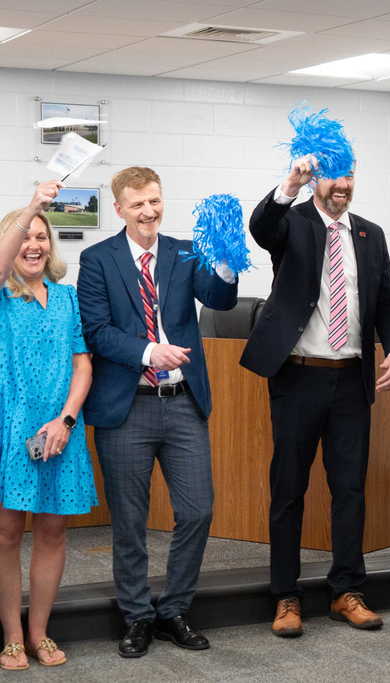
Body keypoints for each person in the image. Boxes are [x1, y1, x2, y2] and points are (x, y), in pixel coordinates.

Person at [240, 154, 390, 636]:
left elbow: (387, 302)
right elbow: (261, 228)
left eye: (349, 175)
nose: (342, 184)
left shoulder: (370, 234)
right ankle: (285, 596)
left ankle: (346, 591)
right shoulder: (291, 222)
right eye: (333, 175)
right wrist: (287, 185)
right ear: (316, 179)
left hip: (351, 381)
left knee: (350, 490)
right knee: (289, 489)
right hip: (298, 377)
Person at [77, 166, 238, 658]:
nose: (149, 212)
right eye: (138, 204)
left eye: (155, 201)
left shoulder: (184, 250)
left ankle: (174, 610)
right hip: (127, 408)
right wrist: (149, 352)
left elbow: (220, 299)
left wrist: (227, 262)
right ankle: (137, 617)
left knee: (197, 511)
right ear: (120, 209)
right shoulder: (97, 259)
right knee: (129, 521)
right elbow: (98, 331)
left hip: (184, 404)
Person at [0, 183, 96, 670]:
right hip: (10, 427)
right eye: (24, 237)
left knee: (54, 532)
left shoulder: (66, 297)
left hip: (60, 429)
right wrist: (33, 206)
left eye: (41, 236)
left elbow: (83, 364)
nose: (33, 245)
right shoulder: (1, 295)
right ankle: (12, 637)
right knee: (7, 532)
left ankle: (39, 633)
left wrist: (66, 419)